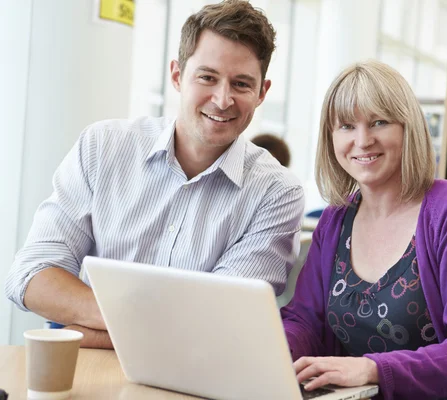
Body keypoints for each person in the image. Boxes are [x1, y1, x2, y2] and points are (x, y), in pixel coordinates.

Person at [5, 0, 304, 349]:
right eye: (207, 77)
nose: (223, 100)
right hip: (87, 373)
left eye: (241, 84)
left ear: (261, 93)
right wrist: (138, 325)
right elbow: (30, 277)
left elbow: (220, 324)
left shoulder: (277, 193)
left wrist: (83, 329)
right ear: (177, 76)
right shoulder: (103, 147)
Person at [281, 60, 447, 399]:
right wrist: (272, 355)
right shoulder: (335, 220)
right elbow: (305, 320)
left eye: (379, 122)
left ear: (409, 129)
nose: (362, 141)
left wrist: (373, 368)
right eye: (346, 126)